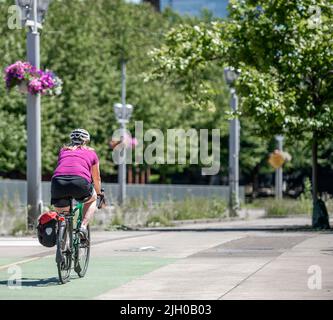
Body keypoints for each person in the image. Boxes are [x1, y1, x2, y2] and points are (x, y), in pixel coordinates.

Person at [51, 128, 102, 238]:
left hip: (58, 182)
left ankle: (63, 243)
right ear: (86, 141)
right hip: (80, 181)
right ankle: (83, 227)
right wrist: (99, 194)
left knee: (63, 215)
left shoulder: (63, 151)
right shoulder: (91, 153)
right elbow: (96, 178)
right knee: (92, 199)